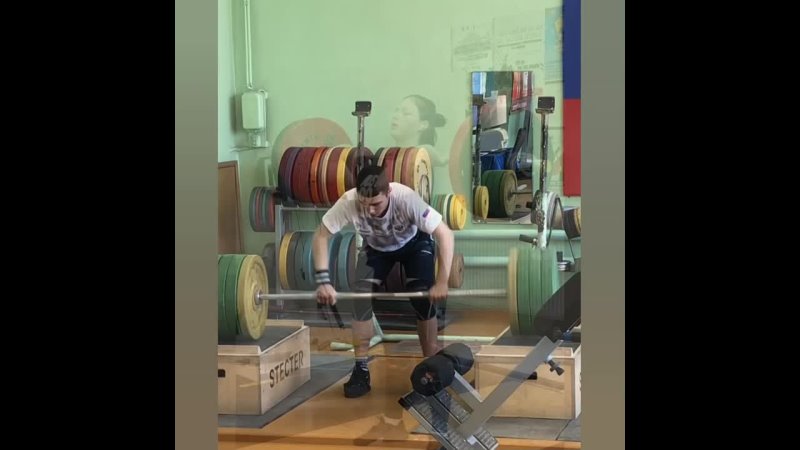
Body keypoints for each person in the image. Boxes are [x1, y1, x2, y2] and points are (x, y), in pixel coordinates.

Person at [312, 164, 455, 398]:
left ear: (388, 192)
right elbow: (320, 235)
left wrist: (442, 281)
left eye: (376, 204)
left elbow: (445, 234)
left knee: (422, 296)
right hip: (376, 248)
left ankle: (430, 367)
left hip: (414, 244)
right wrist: (323, 280)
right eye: (364, 204)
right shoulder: (349, 201)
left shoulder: (406, 198)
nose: (369, 211)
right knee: (360, 298)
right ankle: (360, 369)